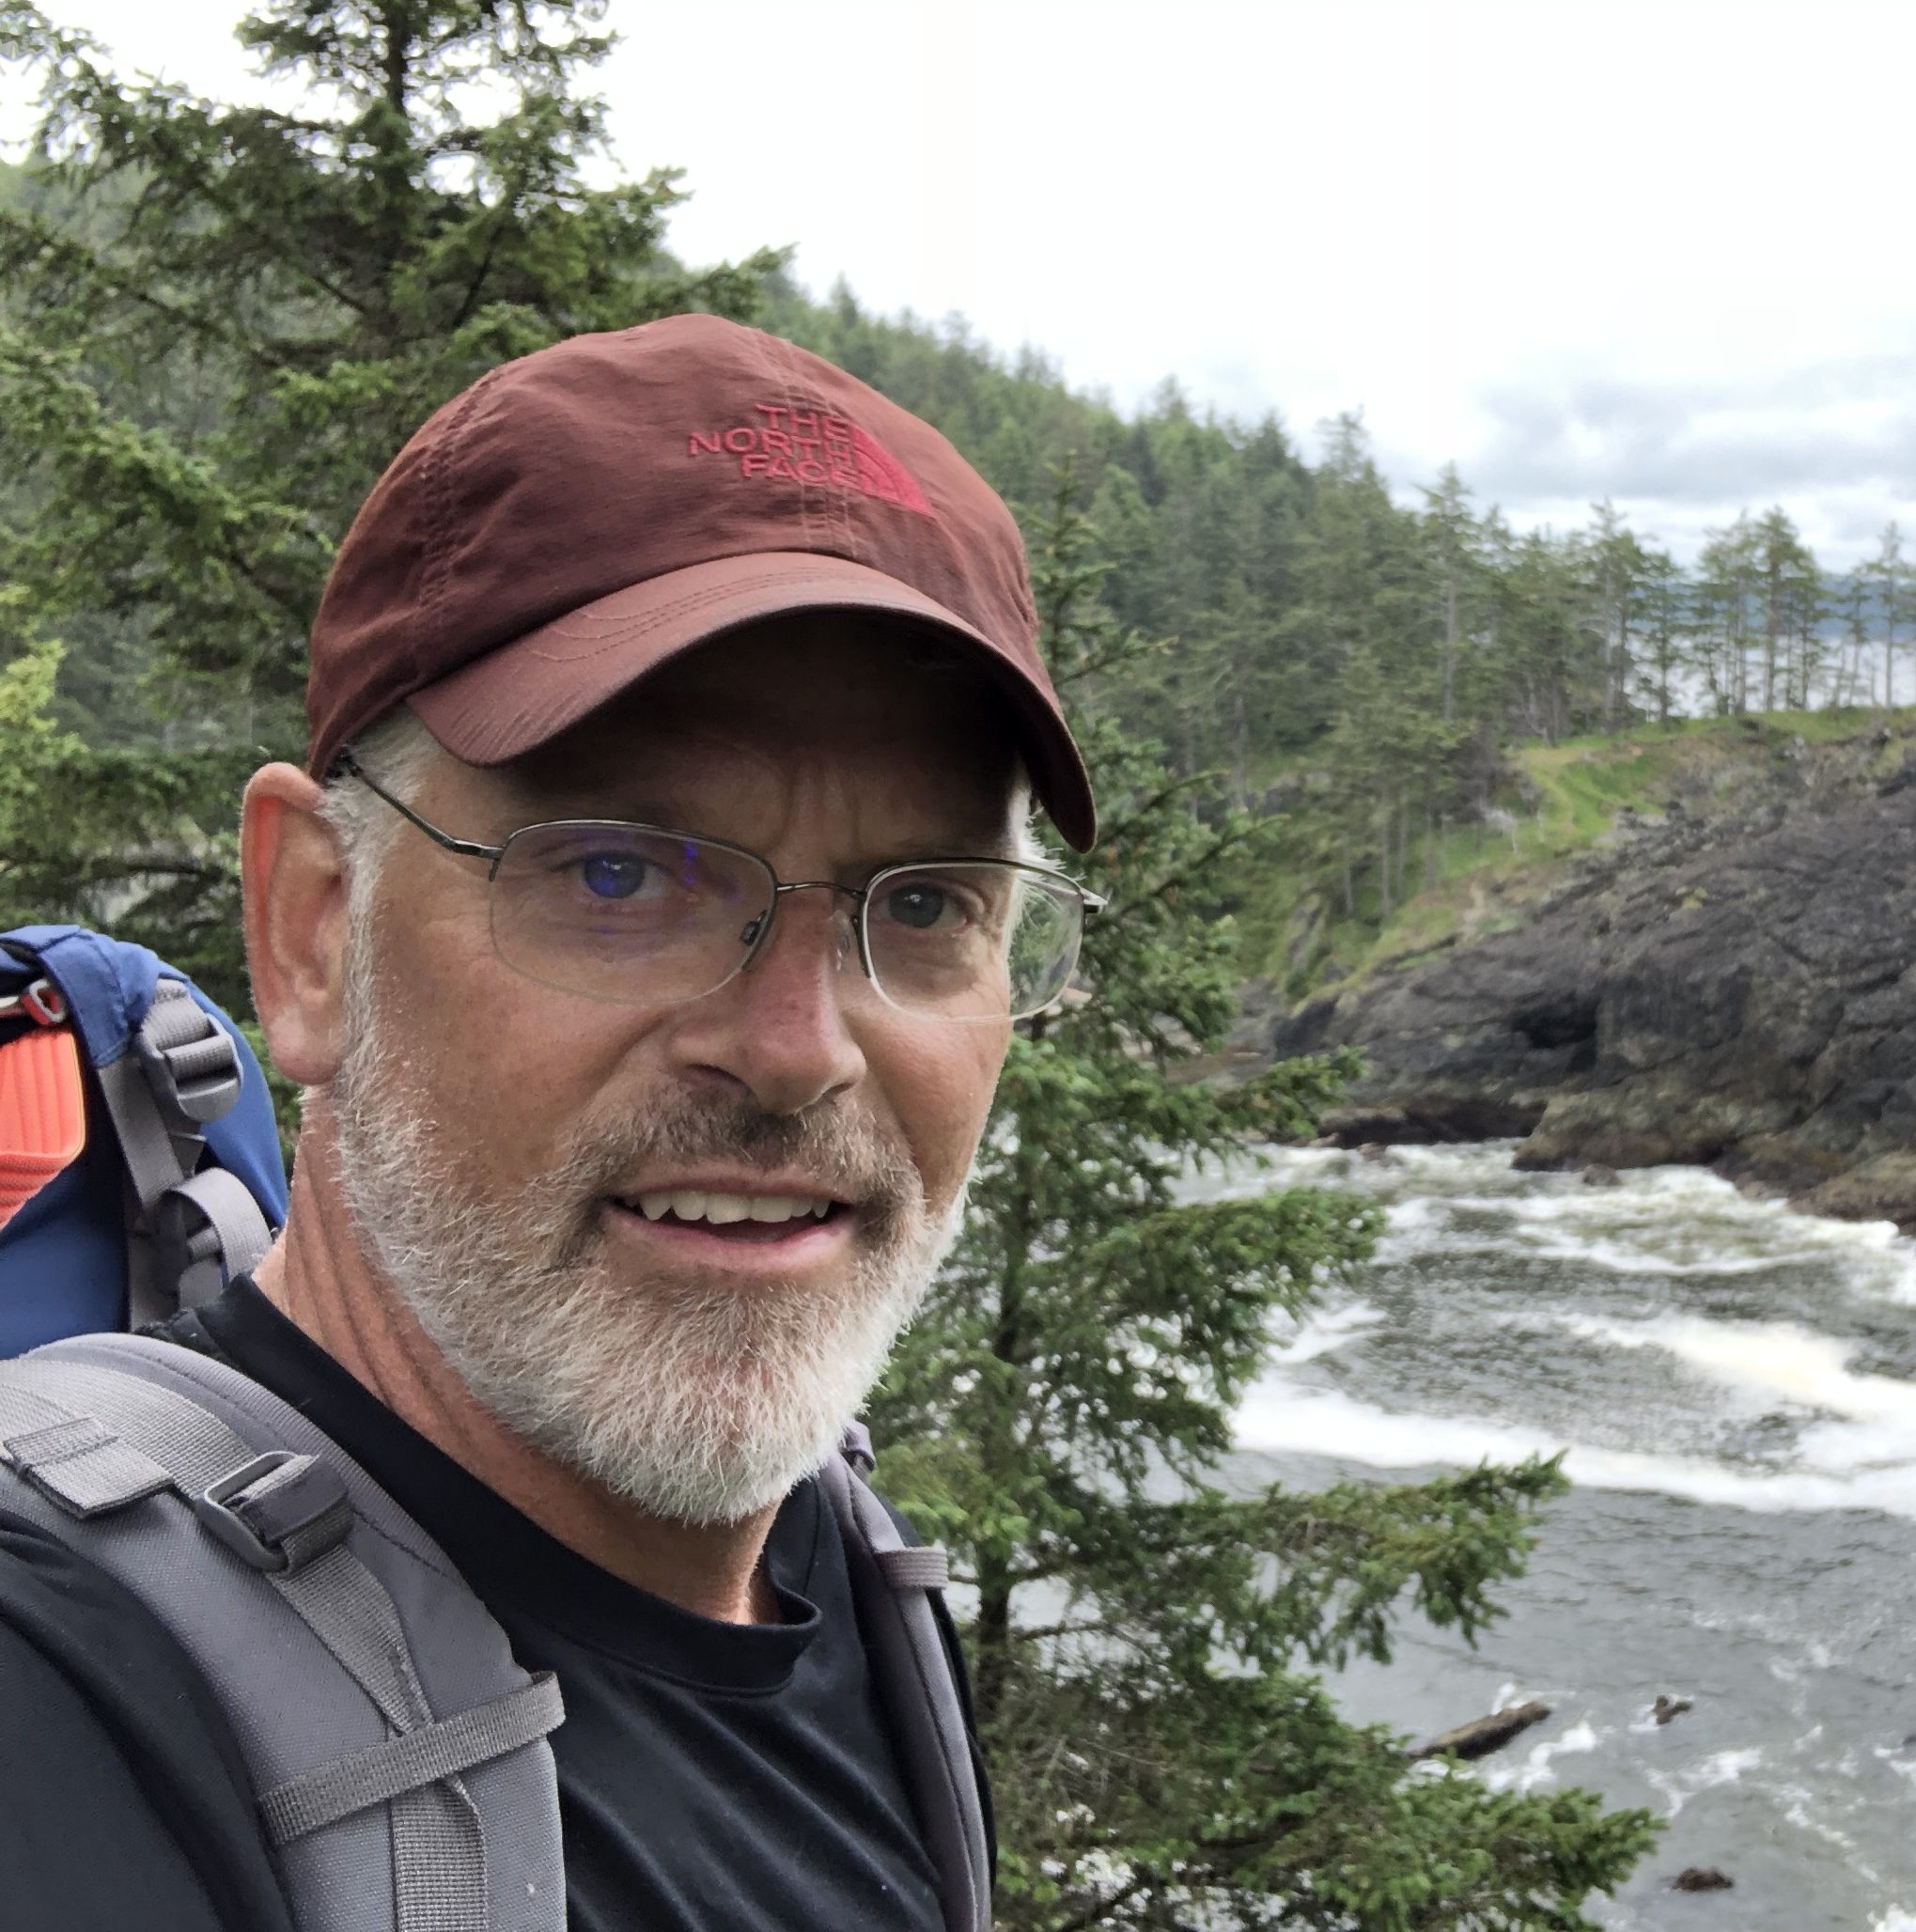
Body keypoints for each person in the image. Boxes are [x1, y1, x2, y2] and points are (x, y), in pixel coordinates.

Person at [0, 315, 1098, 1930]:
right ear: (312, 929)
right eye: (620, 871)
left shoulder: (848, 1577)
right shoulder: (60, 1689)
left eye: (925, 901)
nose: (796, 1052)